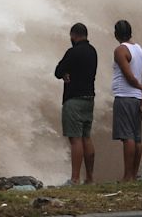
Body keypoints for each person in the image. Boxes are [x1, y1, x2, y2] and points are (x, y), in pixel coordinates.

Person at [55, 23, 97, 185]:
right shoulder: (93, 52)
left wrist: (65, 72)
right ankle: (90, 178)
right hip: (89, 98)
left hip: (74, 99)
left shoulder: (73, 52)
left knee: (75, 139)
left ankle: (75, 178)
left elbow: (58, 71)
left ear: (74, 35)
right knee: (86, 137)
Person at [112, 20, 142, 181]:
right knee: (136, 137)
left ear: (116, 34)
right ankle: (133, 175)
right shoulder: (140, 50)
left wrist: (139, 87)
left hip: (125, 96)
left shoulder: (121, 50)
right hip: (137, 99)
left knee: (127, 137)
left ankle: (127, 176)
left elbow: (129, 76)